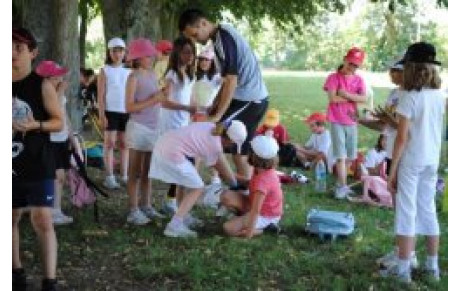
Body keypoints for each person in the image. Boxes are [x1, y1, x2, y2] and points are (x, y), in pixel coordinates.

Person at [179, 8, 269, 183]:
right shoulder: (219, 39)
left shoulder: (224, 38)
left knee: (213, 135)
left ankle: (234, 188)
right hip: (246, 98)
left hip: (250, 99)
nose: (196, 40)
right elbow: (226, 80)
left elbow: (232, 80)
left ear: (203, 23)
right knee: (237, 151)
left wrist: (219, 114)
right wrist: (216, 102)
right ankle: (242, 190)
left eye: (195, 34)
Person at [384, 42, 446, 283]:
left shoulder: (409, 97)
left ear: (410, 68)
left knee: (406, 213)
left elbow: (401, 138)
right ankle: (432, 267)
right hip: (431, 160)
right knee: (428, 209)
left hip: (411, 161)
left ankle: (403, 270)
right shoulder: (440, 96)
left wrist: (392, 172)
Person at [12, 27, 63, 291]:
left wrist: (36, 126)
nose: (11, 54)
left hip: (38, 162)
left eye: (18, 48)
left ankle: (49, 281)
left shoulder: (41, 85)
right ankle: (15, 273)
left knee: (42, 219)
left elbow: (58, 122)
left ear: (33, 53)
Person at [149, 120, 247, 238]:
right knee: (197, 187)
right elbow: (221, 167)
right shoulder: (215, 144)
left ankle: (184, 216)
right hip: (172, 153)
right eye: (233, 143)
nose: (231, 146)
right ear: (229, 140)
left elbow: (221, 164)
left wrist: (234, 182)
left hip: (164, 144)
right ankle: (174, 226)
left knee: (186, 182)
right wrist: (235, 185)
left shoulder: (212, 126)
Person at [124, 38, 167, 225]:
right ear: (138, 58)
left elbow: (157, 97)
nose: (151, 57)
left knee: (149, 171)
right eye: (147, 55)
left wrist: (163, 93)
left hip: (153, 128)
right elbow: (129, 107)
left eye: (151, 55)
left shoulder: (151, 74)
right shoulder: (133, 77)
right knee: (134, 171)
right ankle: (133, 210)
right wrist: (154, 99)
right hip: (138, 128)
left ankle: (147, 205)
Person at [158, 36, 198, 215]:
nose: (190, 56)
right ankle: (172, 201)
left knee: (183, 164)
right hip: (170, 125)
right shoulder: (172, 75)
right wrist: (186, 107)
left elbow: (190, 99)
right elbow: (164, 102)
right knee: (180, 164)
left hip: (183, 124)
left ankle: (173, 201)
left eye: (192, 52)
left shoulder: (190, 74)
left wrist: (197, 109)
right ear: (177, 53)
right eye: (186, 52)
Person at [323, 47, 368, 199]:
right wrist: (352, 97)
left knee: (351, 155)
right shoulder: (333, 77)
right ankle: (342, 186)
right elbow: (332, 99)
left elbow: (364, 98)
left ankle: (340, 183)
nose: (353, 67)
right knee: (341, 156)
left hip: (352, 120)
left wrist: (346, 94)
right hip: (337, 120)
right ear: (345, 59)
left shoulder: (359, 79)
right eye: (351, 63)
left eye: (356, 65)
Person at [36, 60, 75, 225]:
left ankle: (56, 209)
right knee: (53, 177)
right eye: (55, 77)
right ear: (45, 79)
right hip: (50, 140)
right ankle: (49, 210)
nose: (60, 80)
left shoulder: (58, 93)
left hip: (61, 138)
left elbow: (63, 115)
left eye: (60, 76)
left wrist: (71, 135)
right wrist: (59, 92)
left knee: (60, 176)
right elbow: (52, 111)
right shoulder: (44, 93)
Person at [221, 135, 283, 238]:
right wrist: (233, 176)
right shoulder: (261, 169)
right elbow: (251, 183)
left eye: (250, 151)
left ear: (254, 156)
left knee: (228, 229)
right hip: (255, 204)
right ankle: (244, 220)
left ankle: (266, 229)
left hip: (266, 216)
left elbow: (256, 211)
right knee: (227, 196)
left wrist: (248, 235)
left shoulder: (263, 182)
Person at [359, 60, 405, 175]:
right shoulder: (393, 93)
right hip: (390, 149)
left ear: (403, 73)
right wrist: (359, 120)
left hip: (404, 150)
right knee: (392, 184)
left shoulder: (410, 95)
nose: (390, 74)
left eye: (393, 71)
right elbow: (383, 125)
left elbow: (404, 128)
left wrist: (387, 119)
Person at [97, 37, 131, 189]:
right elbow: (101, 95)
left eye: (120, 51)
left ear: (125, 52)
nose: (117, 54)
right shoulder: (105, 71)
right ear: (109, 52)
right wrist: (101, 114)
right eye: (114, 51)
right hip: (110, 112)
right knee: (109, 143)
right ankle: (110, 177)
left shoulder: (130, 71)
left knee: (125, 144)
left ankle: (124, 175)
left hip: (126, 112)